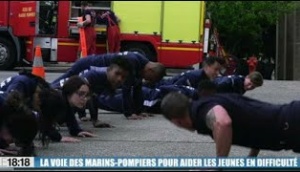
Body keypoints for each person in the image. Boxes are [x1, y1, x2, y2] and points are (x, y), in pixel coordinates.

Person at [161, 91, 300, 157]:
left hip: (293, 126)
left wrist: (219, 165)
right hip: (291, 122)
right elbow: (252, 117)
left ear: (176, 121)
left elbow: (223, 122)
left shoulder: (201, 113)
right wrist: (252, 158)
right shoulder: (207, 102)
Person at [52, 51, 166, 119]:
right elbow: (127, 89)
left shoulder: (141, 64)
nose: (147, 80)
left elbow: (137, 89)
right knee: (63, 84)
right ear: (151, 70)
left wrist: (139, 111)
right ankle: (46, 92)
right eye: (150, 78)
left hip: (92, 71)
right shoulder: (133, 61)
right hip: (86, 65)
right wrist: (129, 114)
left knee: (84, 92)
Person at [51, 57, 131, 127]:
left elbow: (91, 97)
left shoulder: (107, 81)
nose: (119, 79)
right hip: (56, 97)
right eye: (117, 74)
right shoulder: (94, 76)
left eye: (123, 77)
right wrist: (93, 120)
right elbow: (82, 93)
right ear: (108, 70)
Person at [97, 85, 199, 115]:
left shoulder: (188, 90)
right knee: (105, 101)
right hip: (142, 98)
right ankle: (89, 100)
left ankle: (91, 96)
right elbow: (163, 88)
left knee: (107, 98)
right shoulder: (184, 95)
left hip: (144, 94)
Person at [151, 56, 224, 89]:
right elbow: (173, 89)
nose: (218, 73)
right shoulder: (194, 76)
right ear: (206, 67)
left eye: (219, 70)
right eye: (216, 69)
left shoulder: (208, 79)